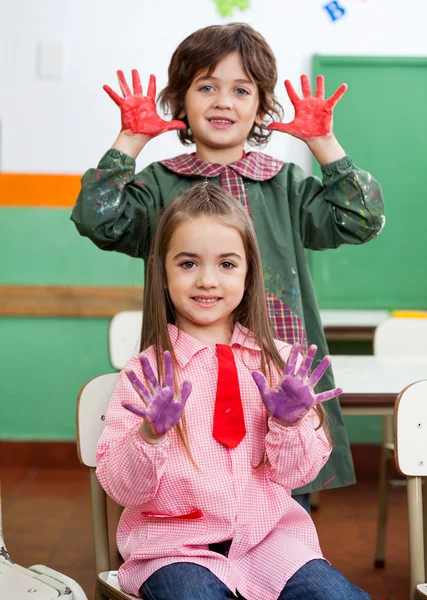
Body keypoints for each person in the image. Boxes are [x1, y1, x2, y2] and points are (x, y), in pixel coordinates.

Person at [72, 23, 385, 508]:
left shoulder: (286, 186)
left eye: (241, 90)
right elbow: (98, 219)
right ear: (180, 102)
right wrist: (129, 141)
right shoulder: (158, 185)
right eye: (206, 87)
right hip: (186, 392)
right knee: (184, 502)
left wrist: (323, 144)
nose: (223, 101)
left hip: (275, 388)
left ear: (261, 108)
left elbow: (362, 219)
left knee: (282, 517)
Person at [96, 182, 371, 600]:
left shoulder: (279, 364)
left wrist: (290, 423)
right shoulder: (146, 376)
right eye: (188, 263)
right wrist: (148, 436)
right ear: (162, 272)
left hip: (269, 542)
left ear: (248, 272)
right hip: (171, 551)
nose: (207, 280)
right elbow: (123, 489)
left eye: (227, 264)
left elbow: (298, 476)